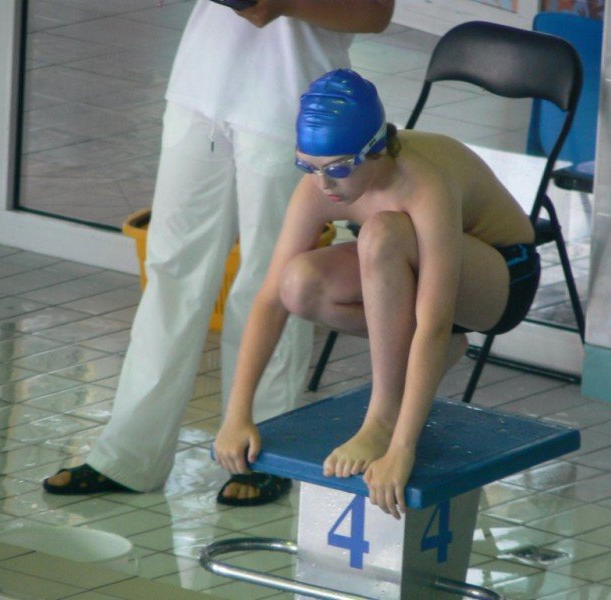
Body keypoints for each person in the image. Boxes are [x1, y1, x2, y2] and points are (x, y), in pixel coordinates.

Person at [43, 1, 394, 506]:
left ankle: (266, 450)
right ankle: (128, 456)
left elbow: (375, 13)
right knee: (171, 273)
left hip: (290, 101)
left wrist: (283, 4)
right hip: (199, 87)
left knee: (272, 280)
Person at [213, 69, 540, 519]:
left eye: (338, 169)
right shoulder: (322, 182)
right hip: (421, 275)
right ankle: (434, 361)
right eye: (307, 166)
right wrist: (236, 414)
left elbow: (433, 321)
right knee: (298, 282)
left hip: (501, 276)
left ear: (378, 150)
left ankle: (381, 418)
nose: (324, 185)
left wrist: (400, 447)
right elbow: (270, 300)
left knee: (384, 232)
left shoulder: (423, 183)